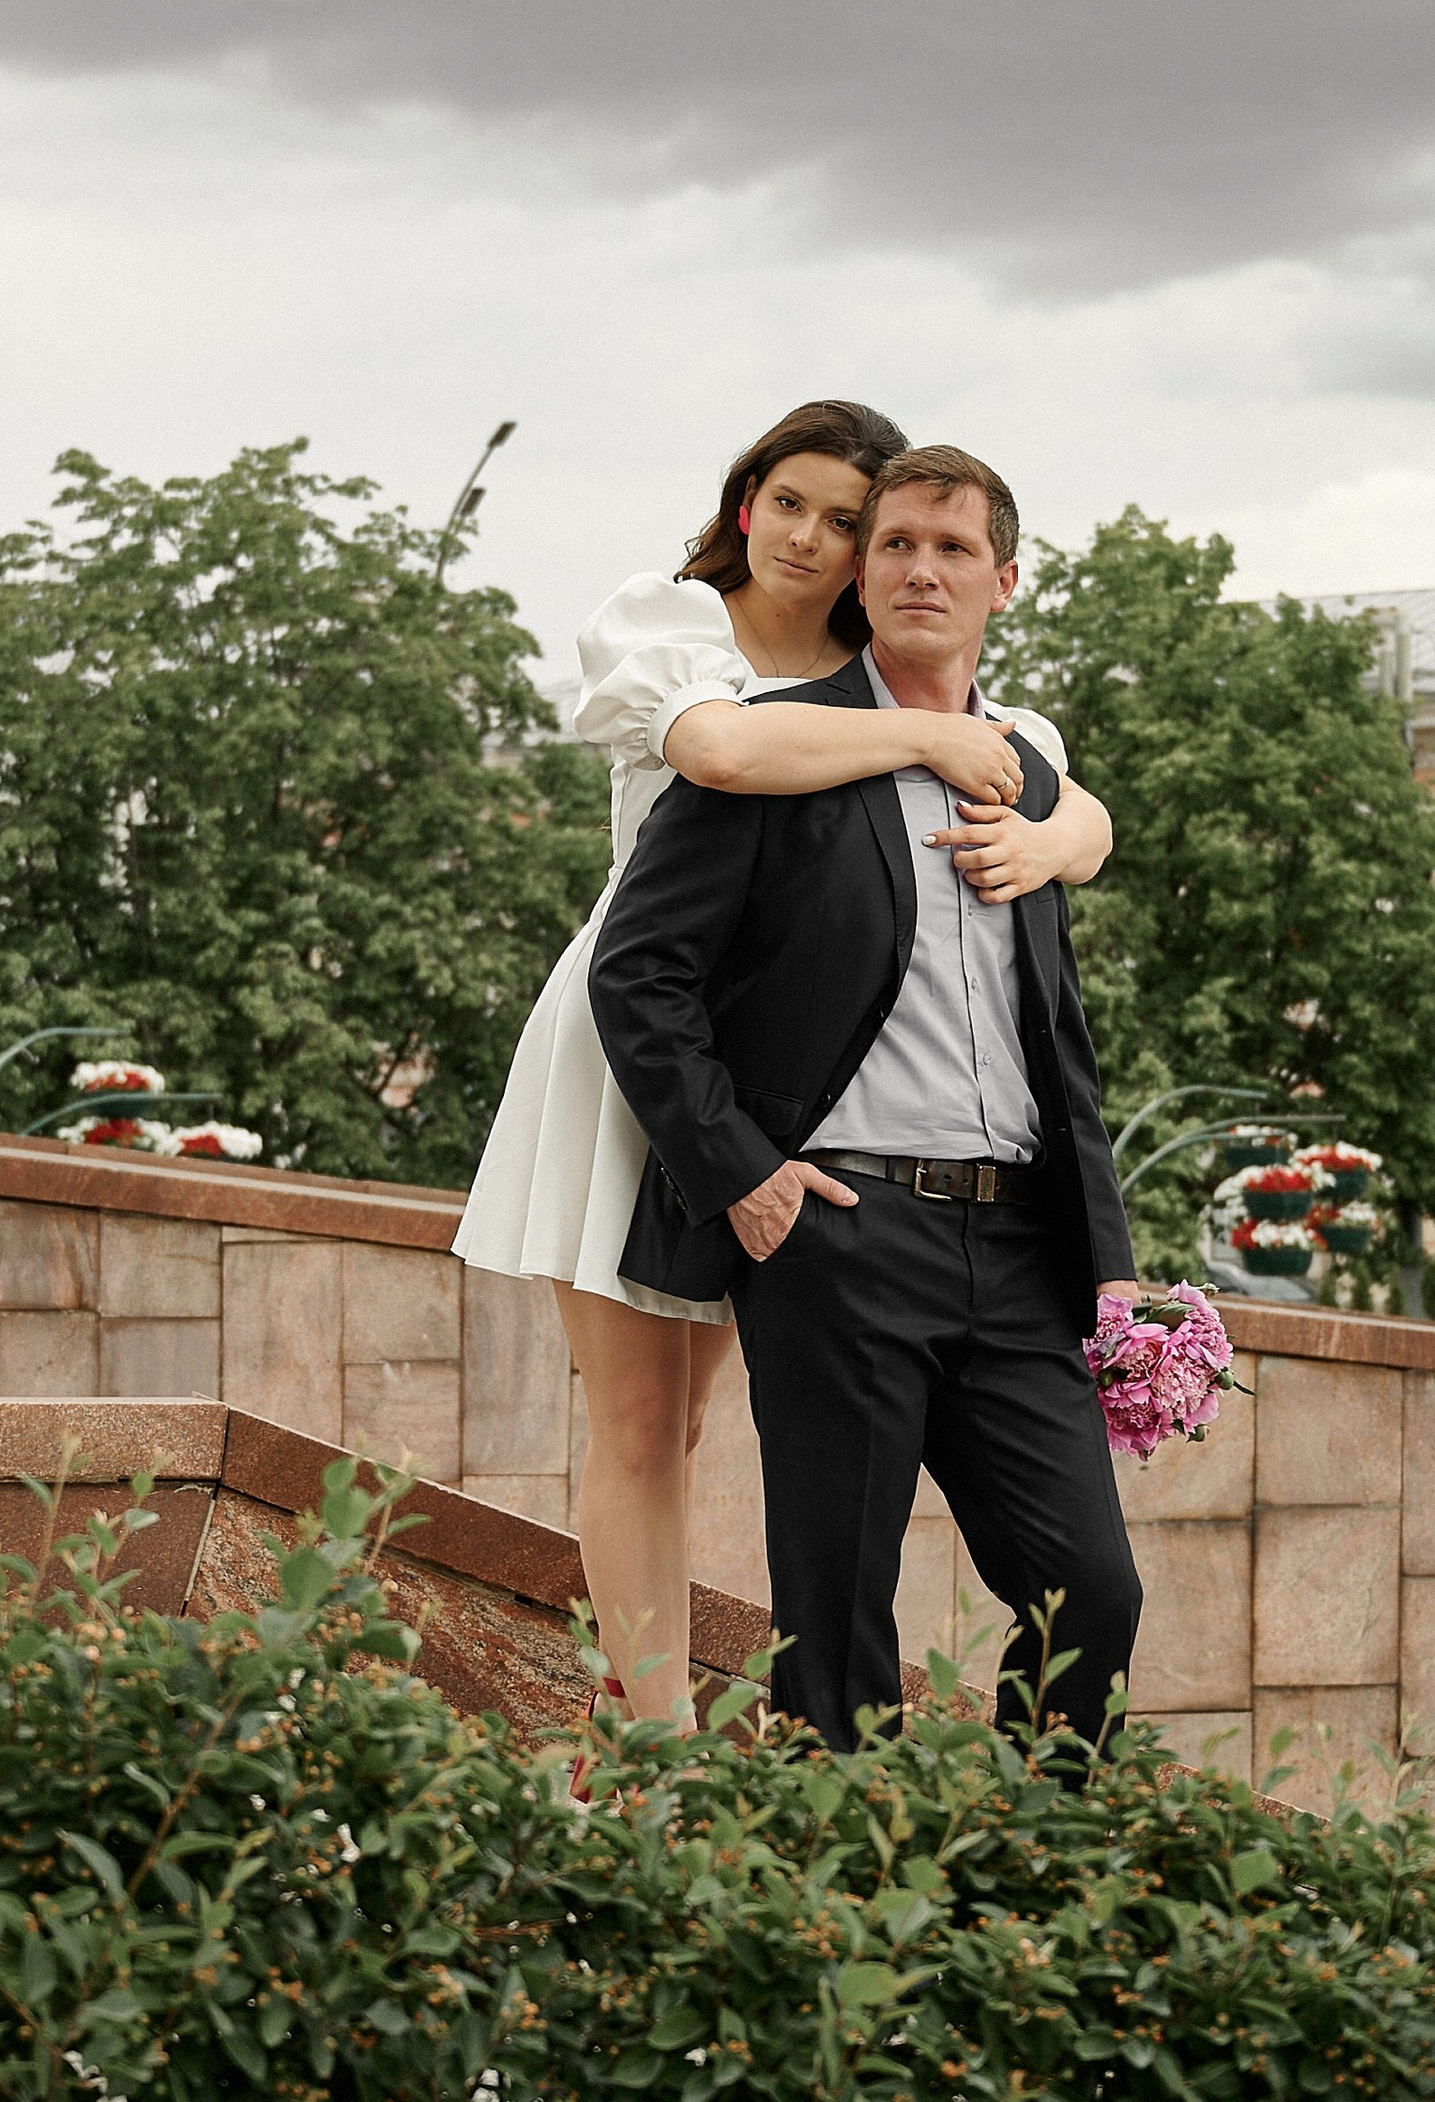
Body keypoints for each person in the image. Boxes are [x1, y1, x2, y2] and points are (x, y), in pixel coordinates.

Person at [453, 399, 1112, 1727]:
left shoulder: (893, 666)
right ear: (744, 498)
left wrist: (1056, 837)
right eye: (788, 500)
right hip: (642, 1048)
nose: (813, 538)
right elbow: (722, 749)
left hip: (788, 1063)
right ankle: (648, 1739)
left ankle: (719, 1731)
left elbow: (1066, 798)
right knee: (645, 1424)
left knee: (719, 1427)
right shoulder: (680, 630)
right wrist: (930, 738)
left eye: (847, 520)